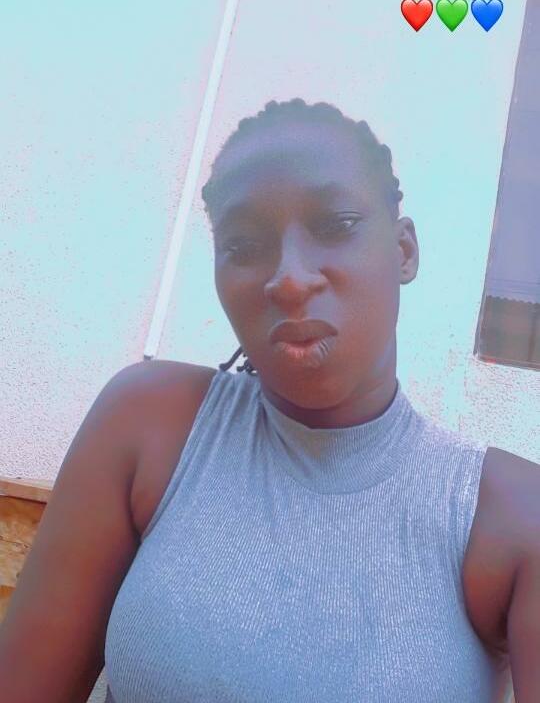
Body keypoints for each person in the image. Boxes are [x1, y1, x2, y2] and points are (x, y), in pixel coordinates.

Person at [0, 98, 537, 703]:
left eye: (335, 225)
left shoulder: (509, 517)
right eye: (243, 245)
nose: (289, 278)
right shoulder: (150, 430)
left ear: (405, 250)